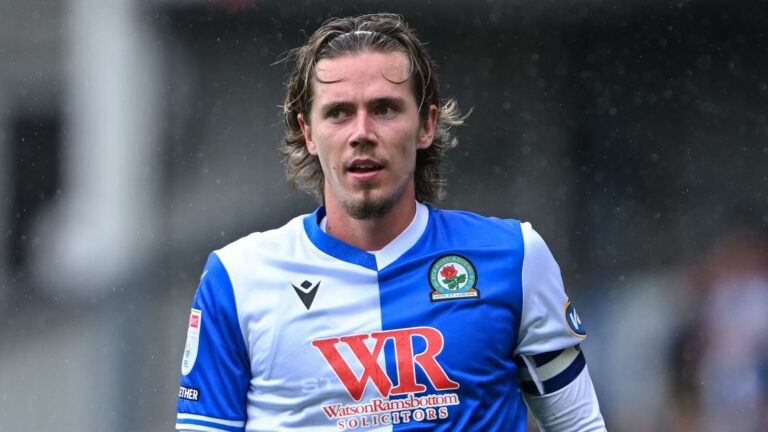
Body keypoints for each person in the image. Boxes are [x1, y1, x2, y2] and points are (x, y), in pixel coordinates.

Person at [176, 13, 606, 431]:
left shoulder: (514, 257)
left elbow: (581, 426)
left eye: (384, 109)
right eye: (338, 112)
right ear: (308, 133)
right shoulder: (238, 277)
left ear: (426, 126)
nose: (361, 132)